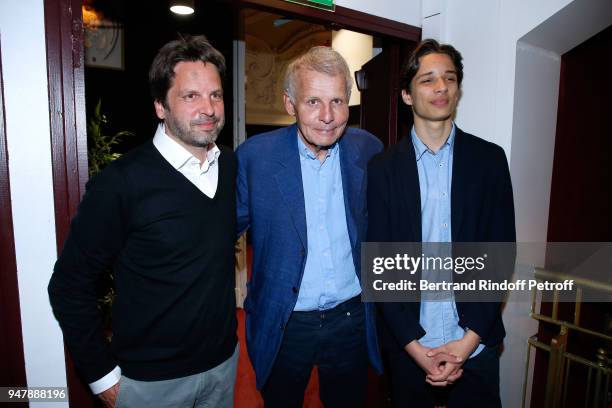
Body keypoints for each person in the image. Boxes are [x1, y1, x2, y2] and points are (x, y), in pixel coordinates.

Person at [48, 35, 238, 408]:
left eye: (215, 95)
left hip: (223, 367)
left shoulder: (230, 166)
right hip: (150, 381)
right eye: (190, 96)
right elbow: (69, 285)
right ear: (160, 107)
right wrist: (102, 378)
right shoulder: (121, 183)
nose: (209, 108)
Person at [367, 39, 516, 407]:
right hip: (410, 346)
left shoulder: (490, 160)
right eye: (427, 79)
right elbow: (379, 265)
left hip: (476, 343)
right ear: (406, 94)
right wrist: (415, 348)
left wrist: (468, 343)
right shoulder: (382, 169)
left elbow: (501, 256)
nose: (441, 88)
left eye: (449, 78)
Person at [236, 46, 383, 407]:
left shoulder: (369, 150)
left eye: (337, 101)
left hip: (350, 317)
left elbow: (388, 229)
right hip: (286, 323)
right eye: (313, 101)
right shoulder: (256, 157)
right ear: (290, 103)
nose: (328, 116)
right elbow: (219, 233)